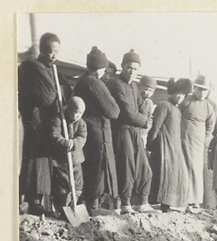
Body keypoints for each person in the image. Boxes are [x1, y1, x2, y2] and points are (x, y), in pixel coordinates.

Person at [18, 32, 62, 216]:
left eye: (57, 52)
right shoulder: (35, 68)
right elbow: (48, 96)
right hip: (34, 120)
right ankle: (31, 201)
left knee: (43, 160)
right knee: (33, 160)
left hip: (43, 122)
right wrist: (56, 92)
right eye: (52, 51)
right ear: (43, 50)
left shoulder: (49, 68)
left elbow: (60, 92)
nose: (55, 55)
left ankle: (38, 200)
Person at [73, 46, 120, 214]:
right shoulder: (94, 83)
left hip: (85, 130)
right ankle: (93, 206)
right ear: (100, 67)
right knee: (97, 166)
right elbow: (113, 111)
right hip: (97, 132)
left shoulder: (81, 81)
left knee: (87, 167)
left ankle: (85, 205)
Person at [107, 49, 153, 214]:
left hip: (135, 131)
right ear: (122, 66)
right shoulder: (116, 84)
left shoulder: (134, 86)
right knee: (127, 167)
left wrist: (144, 119)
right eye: (129, 68)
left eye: (135, 69)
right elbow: (127, 112)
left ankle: (143, 202)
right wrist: (145, 121)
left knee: (144, 167)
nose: (132, 72)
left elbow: (142, 106)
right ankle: (126, 204)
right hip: (123, 130)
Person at [147, 77, 191, 212]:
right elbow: (156, 126)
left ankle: (167, 205)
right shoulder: (164, 105)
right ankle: (160, 204)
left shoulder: (177, 110)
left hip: (174, 147)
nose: (180, 97)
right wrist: (150, 144)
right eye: (178, 93)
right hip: (163, 146)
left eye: (183, 94)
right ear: (172, 92)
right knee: (163, 173)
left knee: (172, 176)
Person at [180, 74, 216, 211]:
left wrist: (204, 139)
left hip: (198, 144)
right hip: (183, 141)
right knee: (183, 169)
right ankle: (182, 199)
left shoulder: (208, 107)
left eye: (205, 90)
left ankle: (195, 201)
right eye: (199, 89)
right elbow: (178, 116)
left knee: (196, 171)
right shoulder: (186, 101)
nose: (202, 93)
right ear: (194, 88)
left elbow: (211, 126)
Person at [48, 96, 87, 217]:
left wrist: (74, 143)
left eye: (80, 113)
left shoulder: (81, 123)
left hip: (76, 160)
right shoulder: (59, 119)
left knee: (78, 186)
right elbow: (54, 135)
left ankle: (73, 206)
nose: (77, 116)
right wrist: (65, 143)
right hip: (61, 161)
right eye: (75, 112)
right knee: (62, 187)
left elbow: (82, 137)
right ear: (69, 109)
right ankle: (62, 209)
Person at [137, 75, 157, 148]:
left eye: (150, 91)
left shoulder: (149, 103)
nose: (147, 92)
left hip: (143, 133)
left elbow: (150, 119)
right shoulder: (134, 99)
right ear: (140, 87)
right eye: (146, 89)